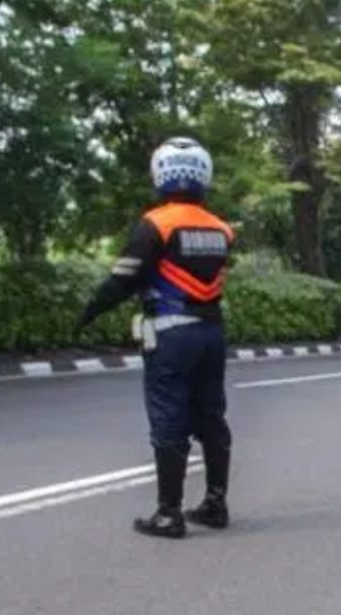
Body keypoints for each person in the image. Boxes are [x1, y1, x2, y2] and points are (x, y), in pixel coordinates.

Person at [78, 137, 235, 539]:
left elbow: (123, 279)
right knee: (212, 418)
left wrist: (88, 313)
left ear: (160, 174)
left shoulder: (156, 224)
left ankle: (169, 514)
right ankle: (216, 503)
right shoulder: (221, 230)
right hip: (212, 334)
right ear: (204, 175)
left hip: (170, 334)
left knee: (169, 420)